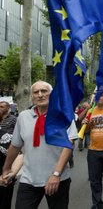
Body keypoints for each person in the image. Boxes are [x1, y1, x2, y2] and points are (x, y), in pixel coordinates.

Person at [2, 81, 77, 209]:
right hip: (28, 179)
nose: (40, 95)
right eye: (36, 92)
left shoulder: (64, 116)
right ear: (32, 96)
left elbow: (69, 144)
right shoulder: (23, 117)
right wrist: (6, 169)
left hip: (57, 179)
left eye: (44, 91)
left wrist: (56, 174)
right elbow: (15, 146)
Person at [0, 101, 22, 209]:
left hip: (6, 164)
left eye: (2, 106)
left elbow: (19, 149)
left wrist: (10, 172)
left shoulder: (13, 119)